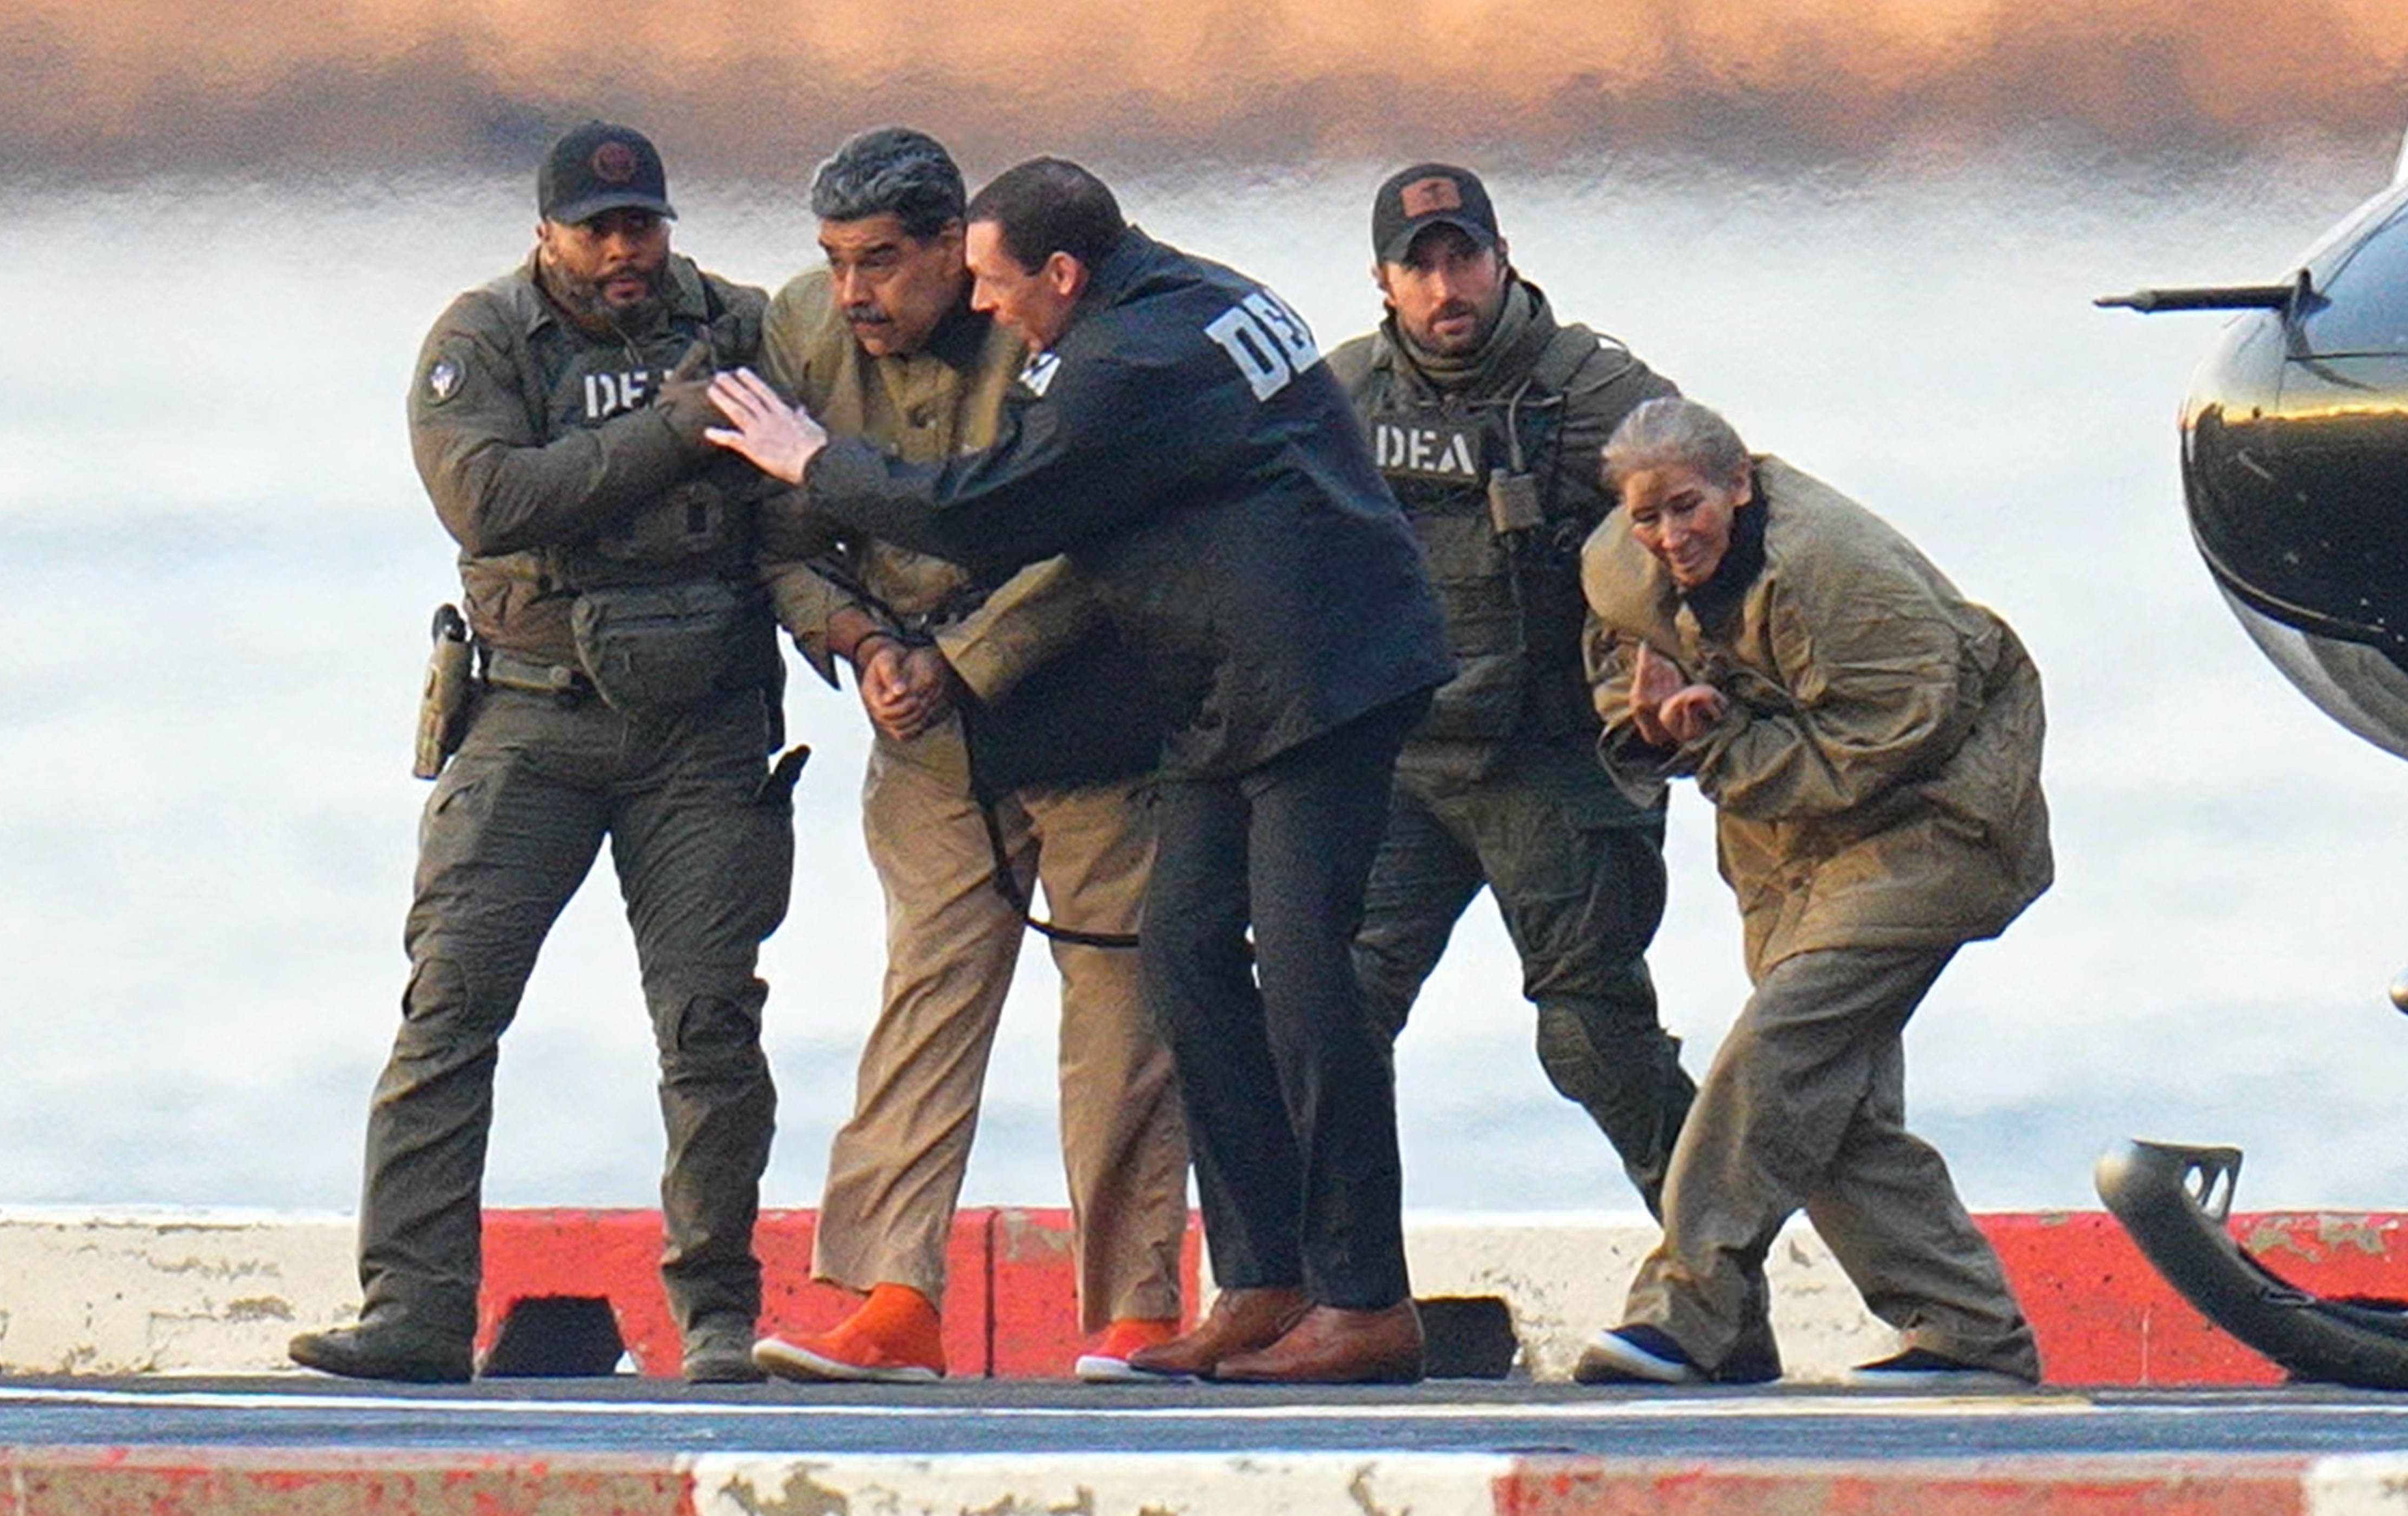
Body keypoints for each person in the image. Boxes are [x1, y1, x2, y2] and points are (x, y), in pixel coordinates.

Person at [705, 157, 1455, 1386]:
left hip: (1326, 678)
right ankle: (1264, 1283)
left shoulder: (1131, 364)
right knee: (1183, 958)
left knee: (1311, 984)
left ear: (1063, 272)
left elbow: (986, 511)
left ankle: (1364, 1301)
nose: (986, 309)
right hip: (1224, 686)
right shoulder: (1188, 293)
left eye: (999, 286)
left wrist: (814, 464)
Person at [286, 122, 795, 1387]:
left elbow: (803, 500)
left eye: (644, 228)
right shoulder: (483, 344)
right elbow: (492, 501)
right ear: (544, 234)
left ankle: (717, 1316)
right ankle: (413, 1308)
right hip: (532, 720)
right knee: (450, 1006)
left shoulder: (742, 328)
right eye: (598, 231)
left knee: (711, 1025)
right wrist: (676, 437)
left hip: (704, 727)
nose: (625, 253)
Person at [742, 128, 1190, 1385]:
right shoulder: (801, 332)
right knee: (925, 998)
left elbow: (1100, 529)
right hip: (923, 737)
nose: (854, 294)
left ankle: (1137, 1311)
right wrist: (852, 636)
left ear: (959, 247)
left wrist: (966, 657)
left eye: (881, 262)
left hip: (1093, 715)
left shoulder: (1055, 334)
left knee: (1121, 1017)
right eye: (833, 263)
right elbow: (773, 523)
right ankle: (890, 1300)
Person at [1570, 397, 2049, 1388]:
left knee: (1781, 1050)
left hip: (1935, 818)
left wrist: (1717, 738)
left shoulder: (1841, 570)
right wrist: (1654, 716)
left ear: (1739, 483)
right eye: (1647, 515)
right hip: (1782, 838)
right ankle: (1968, 1329)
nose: (1669, 536)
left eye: (1688, 507)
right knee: (1834, 1102)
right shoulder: (1625, 560)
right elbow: (1619, 649)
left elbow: (1890, 737)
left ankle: (1685, 1305)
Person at [1326, 163, 1696, 1215]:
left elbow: (1724, 520)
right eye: (1420, 267)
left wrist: (1669, 659)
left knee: (1591, 1034)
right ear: (1383, 282)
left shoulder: (1595, 396)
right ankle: (1341, 1287)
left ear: (1502, 260)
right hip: (1405, 762)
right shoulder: (1343, 399)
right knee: (1326, 1014)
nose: (1447, 289)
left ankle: (1718, 1270)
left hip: (1556, 762)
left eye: (1463, 259)